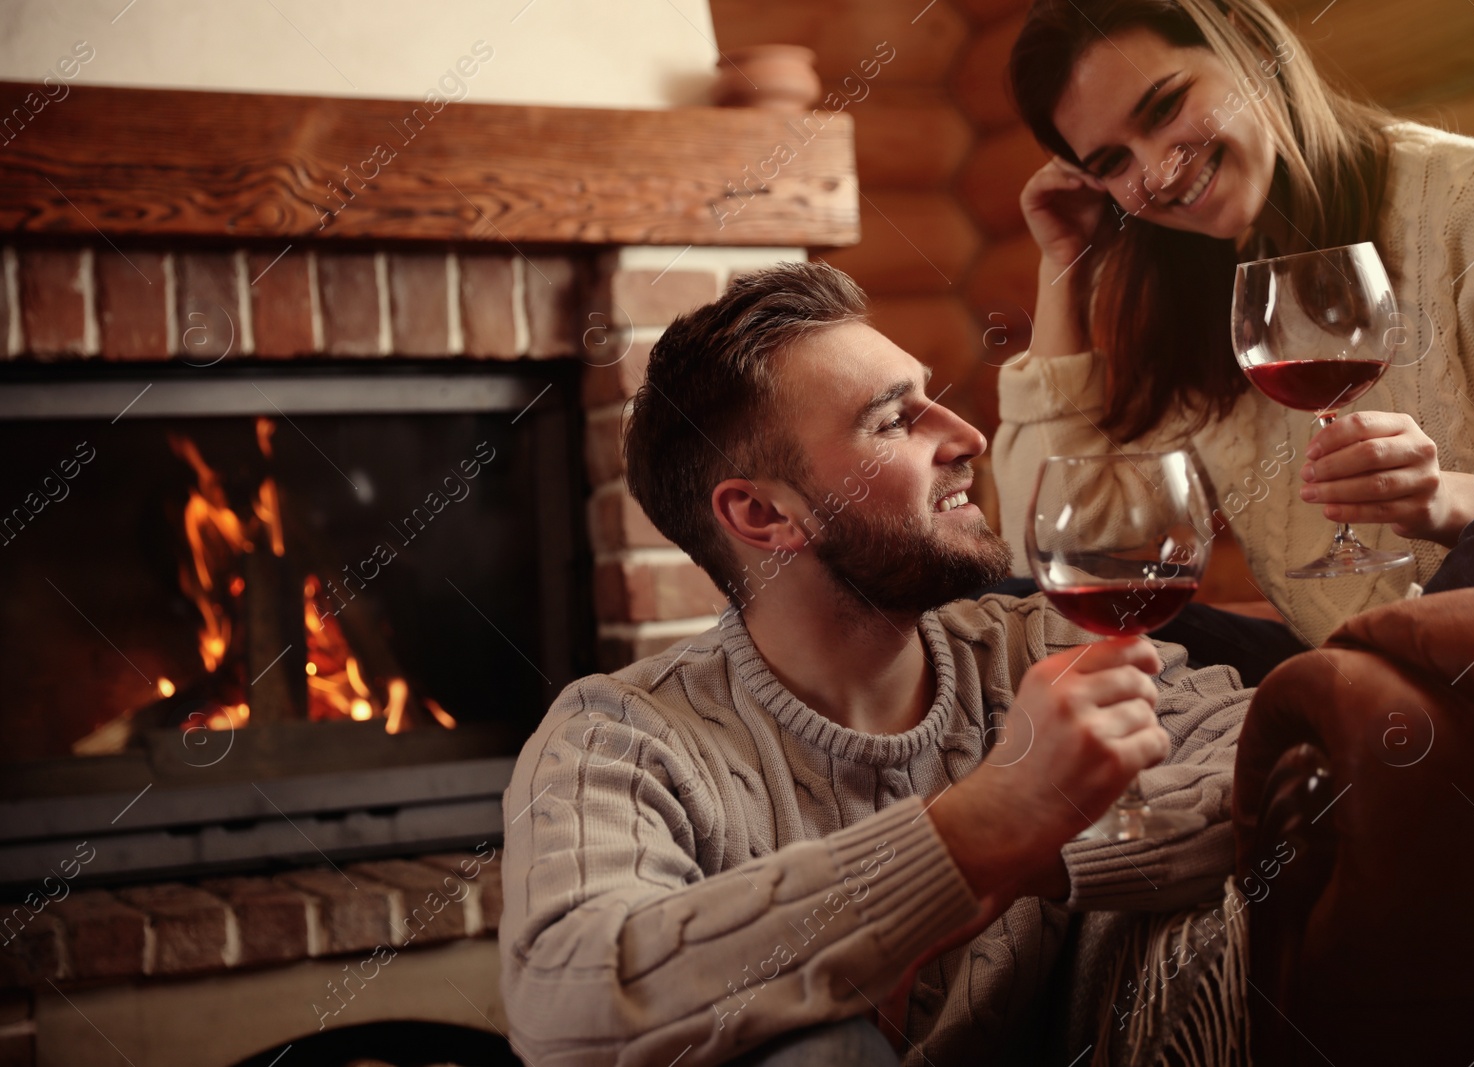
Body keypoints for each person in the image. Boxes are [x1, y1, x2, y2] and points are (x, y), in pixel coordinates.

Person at [497, 262, 1252, 1066]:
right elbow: (566, 1005)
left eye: (929, 397)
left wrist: (1035, 846)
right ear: (762, 513)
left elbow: (1288, 767)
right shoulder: (620, 735)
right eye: (895, 421)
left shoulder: (1043, 648)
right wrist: (975, 829)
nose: (969, 436)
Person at [992, 0, 1474, 674]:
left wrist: (1445, 501)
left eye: (1164, 109)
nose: (1157, 172)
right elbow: (1068, 556)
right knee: (1011, 604)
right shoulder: (1187, 293)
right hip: (1340, 669)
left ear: (1250, 45)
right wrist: (1063, 263)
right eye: (1113, 161)